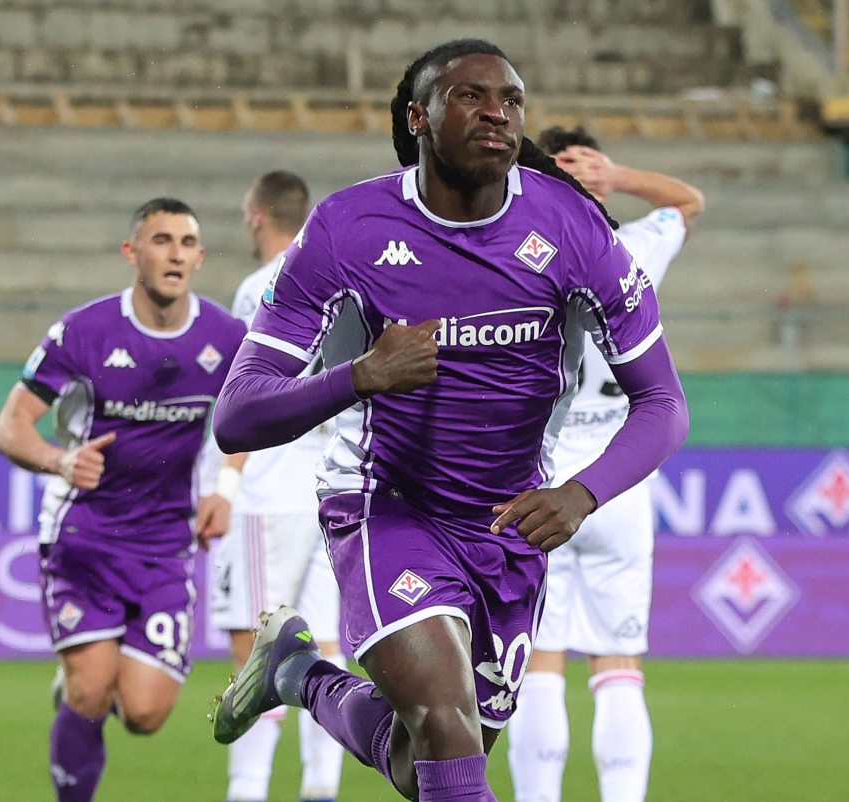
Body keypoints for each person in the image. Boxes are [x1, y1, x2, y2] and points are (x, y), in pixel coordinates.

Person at [207, 39, 689, 802]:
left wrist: (581, 494)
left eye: (511, 100)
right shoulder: (347, 229)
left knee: (423, 758)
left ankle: (295, 672)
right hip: (385, 506)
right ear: (419, 116)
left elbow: (663, 403)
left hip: (510, 522)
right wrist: (361, 375)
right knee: (448, 730)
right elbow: (237, 414)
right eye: (470, 95)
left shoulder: (575, 228)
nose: (497, 111)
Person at [0, 198, 247, 802]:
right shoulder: (83, 332)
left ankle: (84, 689)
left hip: (165, 546)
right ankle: (79, 705)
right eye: (161, 240)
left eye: (187, 243)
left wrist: (225, 488)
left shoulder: (224, 338)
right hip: (83, 536)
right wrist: (60, 460)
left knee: (144, 713)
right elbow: (10, 427)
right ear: (133, 253)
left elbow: (246, 424)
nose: (175, 254)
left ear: (200, 258)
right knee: (91, 691)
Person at [506, 126, 703, 802]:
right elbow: (689, 201)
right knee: (619, 668)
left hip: (541, 481)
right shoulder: (635, 250)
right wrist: (617, 174)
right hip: (620, 482)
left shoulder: (519, 254)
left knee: (539, 666)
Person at [208, 171, 347, 802]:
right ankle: (321, 785)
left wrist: (225, 487)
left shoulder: (260, 286)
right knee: (324, 645)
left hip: (270, 488)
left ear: (258, 215)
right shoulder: (345, 276)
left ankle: (248, 791)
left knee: (258, 649)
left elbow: (247, 394)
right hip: (337, 483)